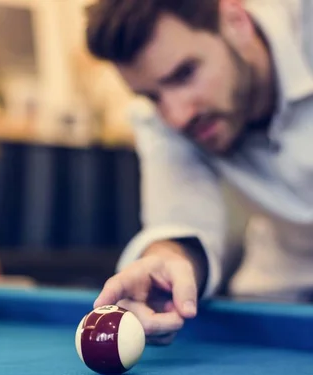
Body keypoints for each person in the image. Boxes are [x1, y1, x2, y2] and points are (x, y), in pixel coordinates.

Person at [85, 0, 313, 344]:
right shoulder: (161, 123)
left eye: (184, 74)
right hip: (284, 274)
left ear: (236, 21)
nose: (176, 116)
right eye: (151, 96)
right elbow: (181, 223)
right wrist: (165, 260)